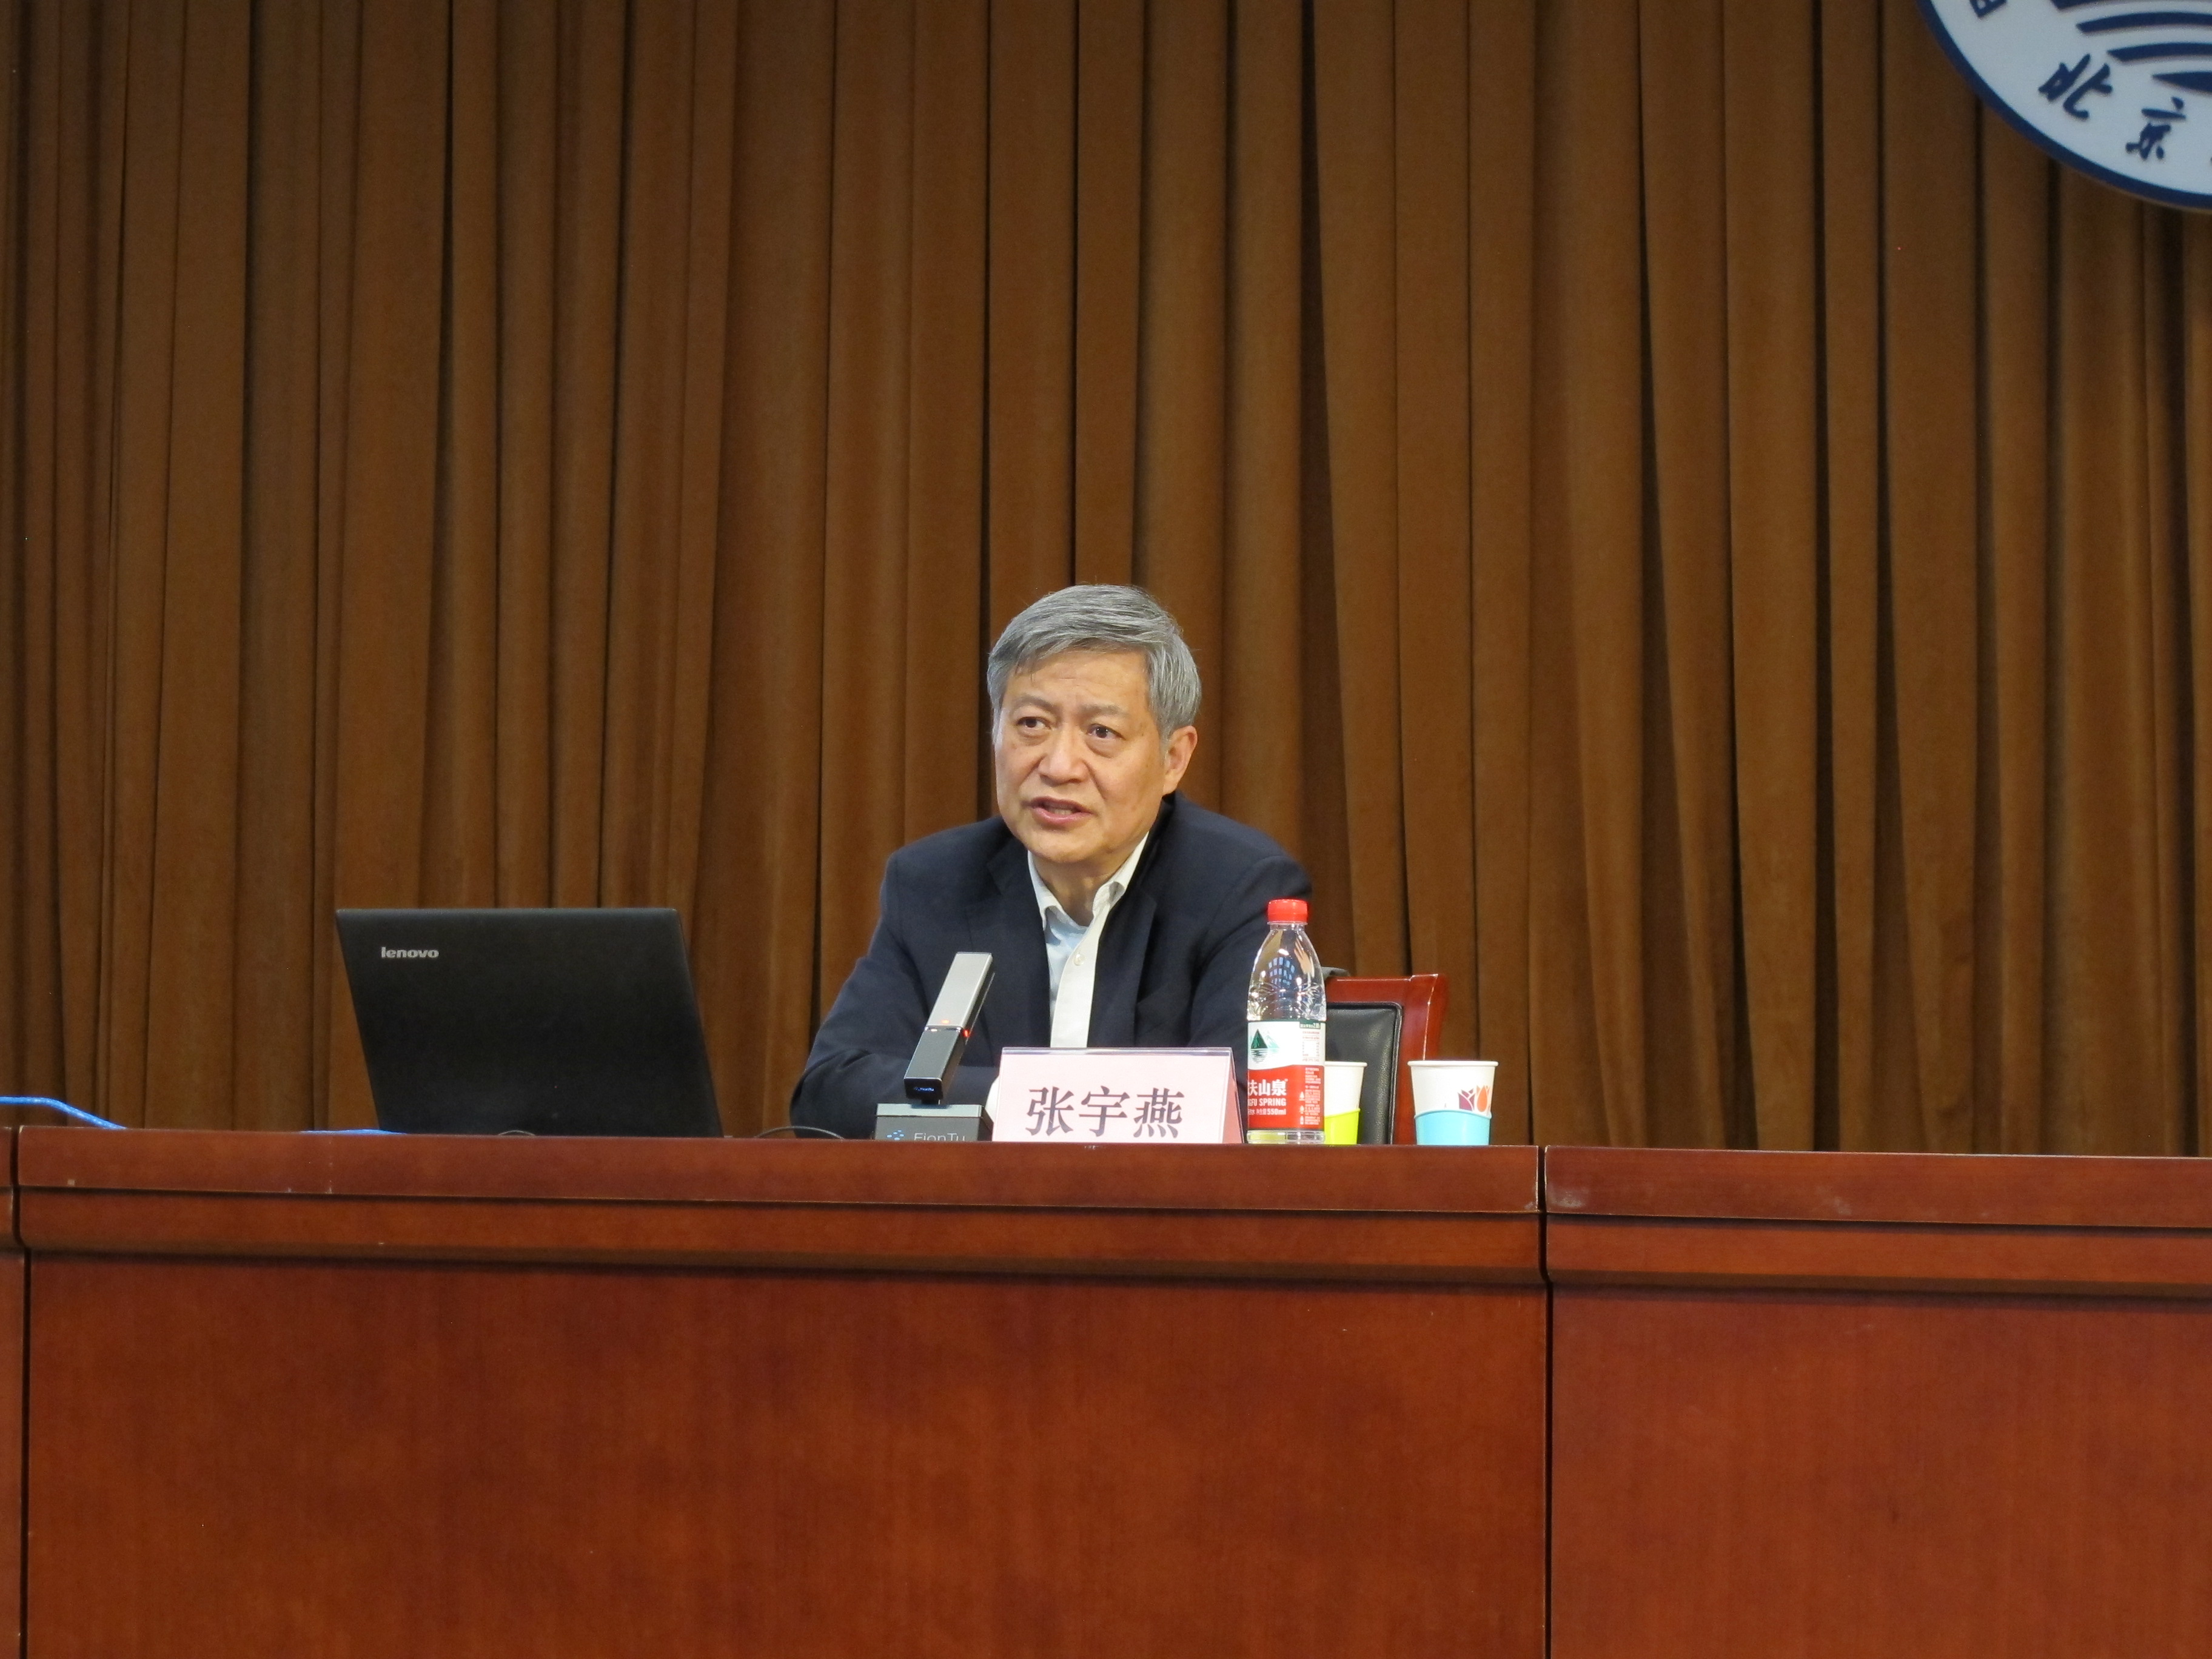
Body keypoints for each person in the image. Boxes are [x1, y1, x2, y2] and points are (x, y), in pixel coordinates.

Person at [791, 585, 1312, 1138]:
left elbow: (1248, 1105)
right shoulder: (935, 882)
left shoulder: (1236, 888)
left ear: (1173, 759)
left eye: (1101, 733)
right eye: (1032, 724)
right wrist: (1014, 1100)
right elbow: (831, 1092)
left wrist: (1009, 1102)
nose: (1060, 766)